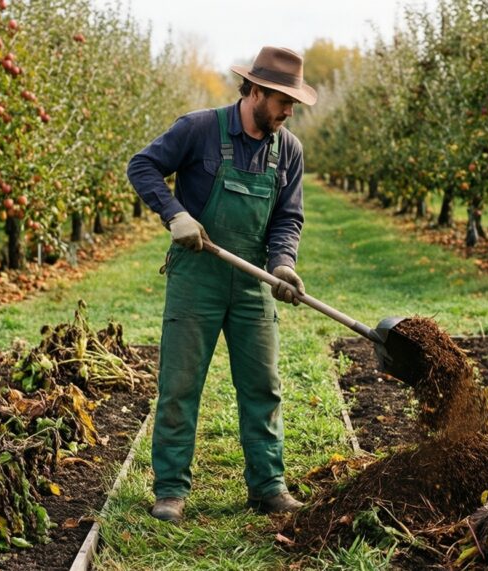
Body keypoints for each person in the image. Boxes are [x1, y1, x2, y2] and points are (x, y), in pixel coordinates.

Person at [126, 46, 317, 523]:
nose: (289, 111)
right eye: (283, 101)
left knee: (263, 386)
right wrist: (176, 215)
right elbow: (142, 166)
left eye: (294, 103)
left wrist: (283, 264)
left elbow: (287, 218)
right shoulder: (198, 129)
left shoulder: (288, 149)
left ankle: (268, 485)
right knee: (180, 384)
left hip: (253, 283)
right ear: (255, 91)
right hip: (198, 277)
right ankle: (170, 489)